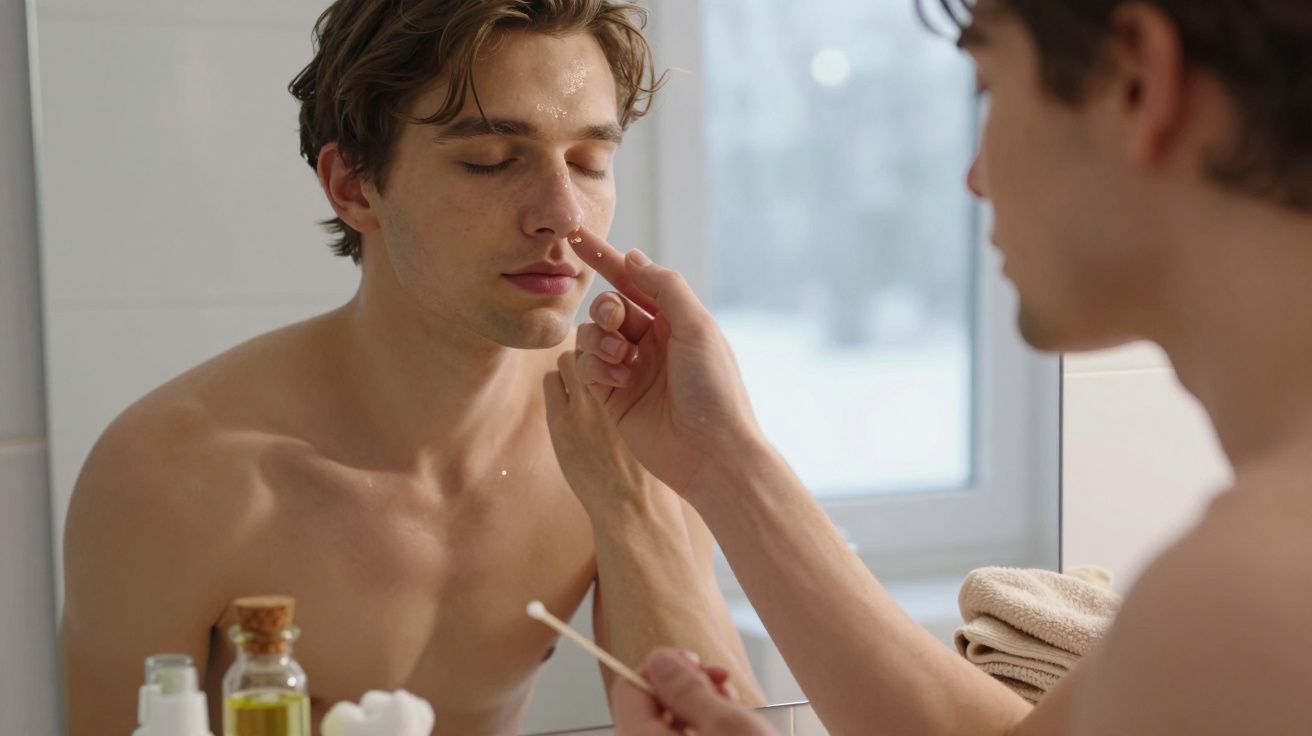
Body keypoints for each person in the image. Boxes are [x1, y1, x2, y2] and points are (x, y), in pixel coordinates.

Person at [557, 0, 1312, 733]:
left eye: (990, 88)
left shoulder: (1249, 598)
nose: (975, 177)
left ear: (1137, 84)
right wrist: (720, 455)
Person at [59, 2, 760, 734]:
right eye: (490, 160)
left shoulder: (622, 430)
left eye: (589, 163)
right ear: (354, 186)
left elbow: (724, 722)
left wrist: (636, 506)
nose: (563, 213)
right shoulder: (176, 474)